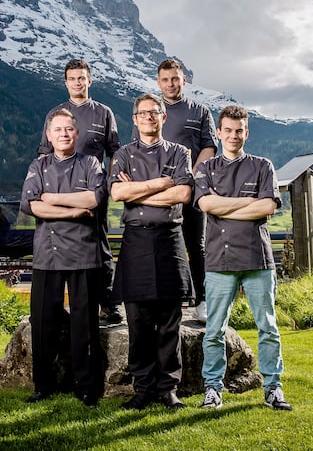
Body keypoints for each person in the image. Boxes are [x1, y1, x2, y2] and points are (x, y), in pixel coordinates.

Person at [194, 104, 293, 411]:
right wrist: (246, 203)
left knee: (268, 327)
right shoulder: (206, 169)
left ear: (246, 132)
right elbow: (206, 204)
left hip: (257, 259)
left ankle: (273, 388)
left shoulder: (263, 166)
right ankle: (212, 389)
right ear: (219, 133)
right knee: (214, 330)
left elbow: (267, 208)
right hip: (219, 262)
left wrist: (226, 206)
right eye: (228, 130)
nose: (234, 136)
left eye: (239, 131)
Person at [109, 93, 195, 410]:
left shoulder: (180, 152)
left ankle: (168, 389)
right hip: (136, 241)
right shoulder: (123, 154)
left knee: (170, 322)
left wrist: (138, 192)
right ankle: (142, 388)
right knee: (138, 323)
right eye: (142, 113)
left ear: (163, 117)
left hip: (170, 240)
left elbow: (184, 194)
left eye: (154, 112)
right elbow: (118, 192)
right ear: (134, 119)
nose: (148, 117)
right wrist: (163, 183)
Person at [21, 108, 106, 407]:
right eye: (58, 130)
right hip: (48, 254)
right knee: (43, 322)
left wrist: (52, 198)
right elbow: (32, 206)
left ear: (77, 133)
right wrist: (72, 210)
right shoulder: (38, 165)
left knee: (85, 324)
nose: (64, 134)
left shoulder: (91, 163)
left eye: (69, 129)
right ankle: (43, 384)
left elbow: (95, 198)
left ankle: (87, 386)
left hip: (84, 254)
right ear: (49, 134)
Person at [38, 59, 123, 324]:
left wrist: (108, 184)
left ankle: (107, 303)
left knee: (99, 244)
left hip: (91, 190)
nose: (77, 82)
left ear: (90, 80)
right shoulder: (55, 114)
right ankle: (58, 304)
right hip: (59, 189)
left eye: (82, 78)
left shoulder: (104, 112)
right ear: (66, 82)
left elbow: (115, 153)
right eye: (73, 78)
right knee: (58, 242)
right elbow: (43, 154)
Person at [132, 58, 217, 322]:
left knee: (197, 244)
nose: (170, 84)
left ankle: (202, 300)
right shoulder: (149, 112)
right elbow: (139, 150)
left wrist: (189, 176)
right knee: (164, 244)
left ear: (184, 79)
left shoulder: (200, 111)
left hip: (190, 190)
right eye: (165, 80)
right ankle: (171, 299)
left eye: (175, 79)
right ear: (158, 82)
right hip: (158, 192)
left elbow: (209, 147)